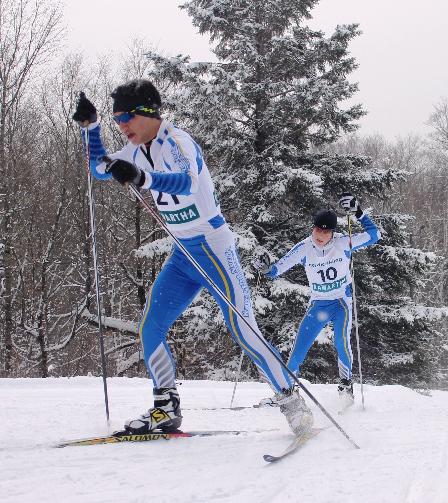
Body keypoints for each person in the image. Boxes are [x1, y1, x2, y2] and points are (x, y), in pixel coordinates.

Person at [72, 79, 313, 436]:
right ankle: (165, 409)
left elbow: (186, 182)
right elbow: (98, 168)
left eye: (125, 116)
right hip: (183, 253)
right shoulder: (136, 149)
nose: (121, 124)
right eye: (116, 117)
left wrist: (142, 176)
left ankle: (292, 402)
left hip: (213, 247)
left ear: (149, 112)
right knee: (150, 326)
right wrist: (91, 128)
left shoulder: (178, 142)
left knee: (243, 329)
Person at [255, 194, 380, 402]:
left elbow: (374, 235)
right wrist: (265, 268)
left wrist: (358, 212)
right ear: (312, 228)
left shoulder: (343, 242)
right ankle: (286, 392)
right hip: (318, 304)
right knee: (299, 348)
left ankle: (345, 386)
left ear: (332, 232)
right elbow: (278, 268)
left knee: (341, 342)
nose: (320, 235)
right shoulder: (304, 247)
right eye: (317, 230)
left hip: (341, 302)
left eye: (325, 231)